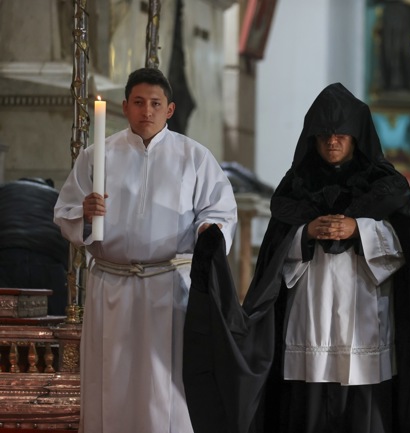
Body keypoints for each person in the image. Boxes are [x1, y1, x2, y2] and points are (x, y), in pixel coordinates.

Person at [183, 82, 410, 433]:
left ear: (356, 137)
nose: (332, 142)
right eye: (324, 135)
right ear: (313, 138)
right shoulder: (295, 185)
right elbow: (273, 257)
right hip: (310, 306)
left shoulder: (387, 186)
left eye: (341, 134)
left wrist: (359, 229)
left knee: (365, 400)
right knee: (308, 399)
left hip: (366, 307)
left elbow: (408, 249)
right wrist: (306, 233)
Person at [53, 67, 237, 433]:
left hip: (168, 287)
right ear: (125, 107)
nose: (146, 111)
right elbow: (65, 212)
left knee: (164, 384)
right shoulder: (97, 155)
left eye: (155, 103)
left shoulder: (194, 157)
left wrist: (208, 231)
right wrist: (85, 214)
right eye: (138, 102)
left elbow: (220, 212)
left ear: (169, 109)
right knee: (112, 378)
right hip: (111, 286)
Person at [0, 177, 68, 316]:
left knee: (5, 314)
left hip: (7, 255)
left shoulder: (5, 191)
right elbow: (70, 231)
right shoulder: (56, 195)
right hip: (48, 257)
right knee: (54, 317)